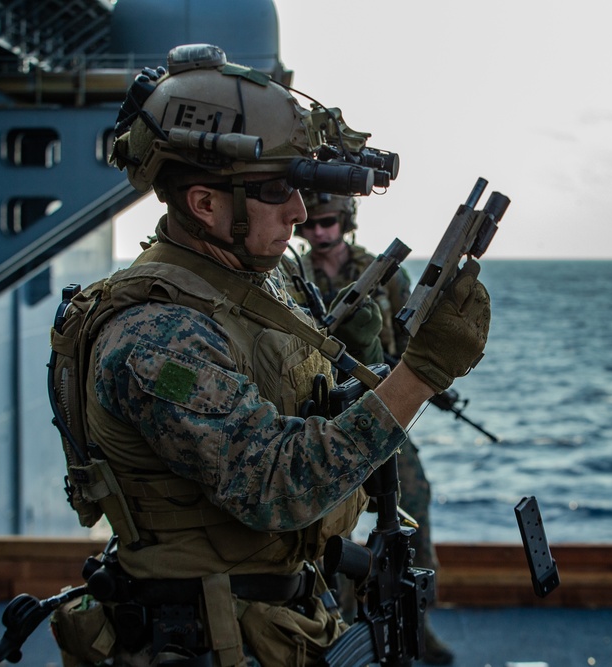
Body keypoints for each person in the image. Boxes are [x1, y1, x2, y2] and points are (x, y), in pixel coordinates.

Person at [50, 43, 490, 667]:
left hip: (277, 622)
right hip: (200, 641)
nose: (301, 212)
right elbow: (279, 486)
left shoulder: (261, 279)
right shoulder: (156, 340)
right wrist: (421, 373)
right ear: (205, 204)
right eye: (277, 189)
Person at [289, 193, 454, 665]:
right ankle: (337, 626)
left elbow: (411, 342)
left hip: (383, 410)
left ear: (344, 222)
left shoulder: (385, 274)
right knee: (327, 530)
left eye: (328, 223)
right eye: (312, 225)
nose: (319, 233)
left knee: (413, 507)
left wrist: (419, 379)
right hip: (323, 418)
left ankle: (415, 621)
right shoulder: (294, 277)